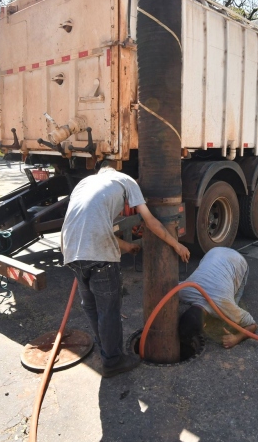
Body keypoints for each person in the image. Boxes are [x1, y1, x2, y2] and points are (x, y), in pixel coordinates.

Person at [62, 160, 190, 378]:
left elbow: (92, 226)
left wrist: (128, 247)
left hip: (70, 251)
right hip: (98, 256)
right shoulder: (126, 181)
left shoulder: (85, 183)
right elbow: (150, 222)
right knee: (108, 310)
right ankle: (113, 361)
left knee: (92, 306)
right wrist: (177, 245)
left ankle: (107, 350)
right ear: (115, 169)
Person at [178, 247, 258, 349]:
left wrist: (236, 338)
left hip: (237, 260)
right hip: (213, 252)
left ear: (205, 325)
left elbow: (252, 325)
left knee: (232, 311)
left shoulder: (225, 306)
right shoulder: (183, 291)